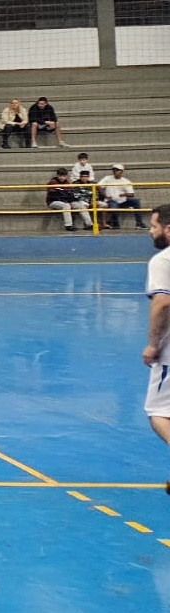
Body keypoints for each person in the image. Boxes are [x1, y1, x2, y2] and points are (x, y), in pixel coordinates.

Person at [139, 203, 170, 491]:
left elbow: (162, 302)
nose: (151, 231)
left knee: (158, 412)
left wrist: (152, 344)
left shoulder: (163, 260)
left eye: (154, 226)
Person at [100, 164, 147, 229]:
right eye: (114, 170)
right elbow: (98, 186)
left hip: (123, 201)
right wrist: (105, 195)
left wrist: (124, 195)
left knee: (136, 202)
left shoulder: (126, 181)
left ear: (122, 171)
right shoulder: (107, 178)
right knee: (114, 207)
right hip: (112, 201)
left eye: (117, 170)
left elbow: (131, 194)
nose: (115, 171)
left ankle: (139, 224)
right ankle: (115, 225)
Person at [46, 168, 91, 232]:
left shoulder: (68, 183)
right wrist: (65, 199)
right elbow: (54, 195)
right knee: (66, 205)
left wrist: (72, 200)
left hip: (66, 201)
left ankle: (89, 224)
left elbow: (70, 195)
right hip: (53, 202)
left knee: (80, 205)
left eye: (64, 176)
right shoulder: (52, 182)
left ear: (66, 176)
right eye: (60, 176)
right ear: (57, 175)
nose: (62, 177)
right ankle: (68, 225)